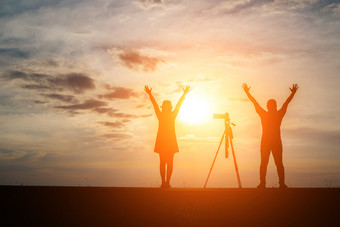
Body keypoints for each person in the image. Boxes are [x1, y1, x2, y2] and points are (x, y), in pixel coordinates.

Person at [242, 83, 299, 189]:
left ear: (269, 107)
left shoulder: (269, 114)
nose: (272, 107)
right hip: (270, 142)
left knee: (271, 163)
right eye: (271, 105)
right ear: (271, 106)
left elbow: (255, 103)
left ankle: (274, 184)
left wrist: (247, 92)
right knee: (269, 163)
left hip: (271, 142)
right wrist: (293, 93)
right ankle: (271, 184)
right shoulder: (276, 114)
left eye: (272, 105)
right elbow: (286, 103)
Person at [144, 85, 190, 188]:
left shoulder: (163, 115)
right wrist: (183, 94)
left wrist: (150, 95)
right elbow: (178, 105)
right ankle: (166, 182)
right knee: (167, 163)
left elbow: (156, 105)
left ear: (164, 107)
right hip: (168, 141)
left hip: (164, 141)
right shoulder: (170, 115)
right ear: (168, 108)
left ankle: (165, 182)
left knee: (164, 163)